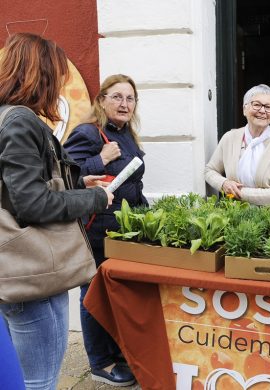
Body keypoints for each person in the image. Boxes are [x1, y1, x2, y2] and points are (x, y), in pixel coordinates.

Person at [0, 33, 113, 389]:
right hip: (32, 274)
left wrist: (79, 185)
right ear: (40, 75)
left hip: (19, 270)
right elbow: (31, 203)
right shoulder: (20, 121)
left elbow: (18, 190)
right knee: (40, 381)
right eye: (56, 76)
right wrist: (95, 199)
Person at [64, 74, 147, 386]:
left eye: (130, 98)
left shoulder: (128, 134)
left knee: (116, 296)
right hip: (97, 230)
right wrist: (99, 159)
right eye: (117, 97)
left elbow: (134, 184)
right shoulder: (87, 133)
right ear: (101, 100)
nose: (124, 103)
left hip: (125, 231)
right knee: (94, 293)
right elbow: (64, 178)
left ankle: (116, 352)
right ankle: (101, 362)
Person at [205, 84, 270, 205]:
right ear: (244, 109)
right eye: (256, 104)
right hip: (232, 215)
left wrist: (239, 193)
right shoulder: (230, 138)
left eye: (268, 107)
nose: (262, 111)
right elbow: (210, 170)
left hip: (268, 219)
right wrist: (224, 183)